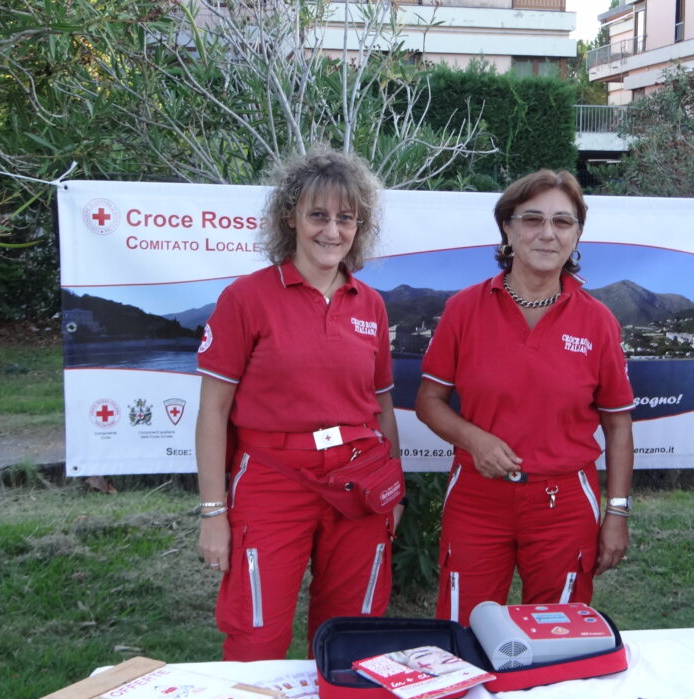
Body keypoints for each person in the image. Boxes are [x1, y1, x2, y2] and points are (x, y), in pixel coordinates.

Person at [194, 147, 404, 661]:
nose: (332, 230)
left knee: (351, 636)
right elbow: (213, 412)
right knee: (256, 637)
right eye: (318, 215)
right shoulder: (247, 298)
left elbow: (381, 405)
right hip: (273, 478)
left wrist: (394, 490)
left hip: (359, 478)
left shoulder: (371, 304)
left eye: (346, 218)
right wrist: (213, 512)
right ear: (290, 217)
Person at [415, 169, 635, 626]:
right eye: (532, 219)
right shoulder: (463, 309)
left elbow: (618, 425)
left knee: (556, 634)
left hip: (564, 503)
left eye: (562, 222)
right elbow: (429, 401)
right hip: (477, 497)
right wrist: (475, 440)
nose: (547, 233)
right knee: (464, 630)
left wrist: (617, 512)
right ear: (508, 229)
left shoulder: (598, 322)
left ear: (577, 235)